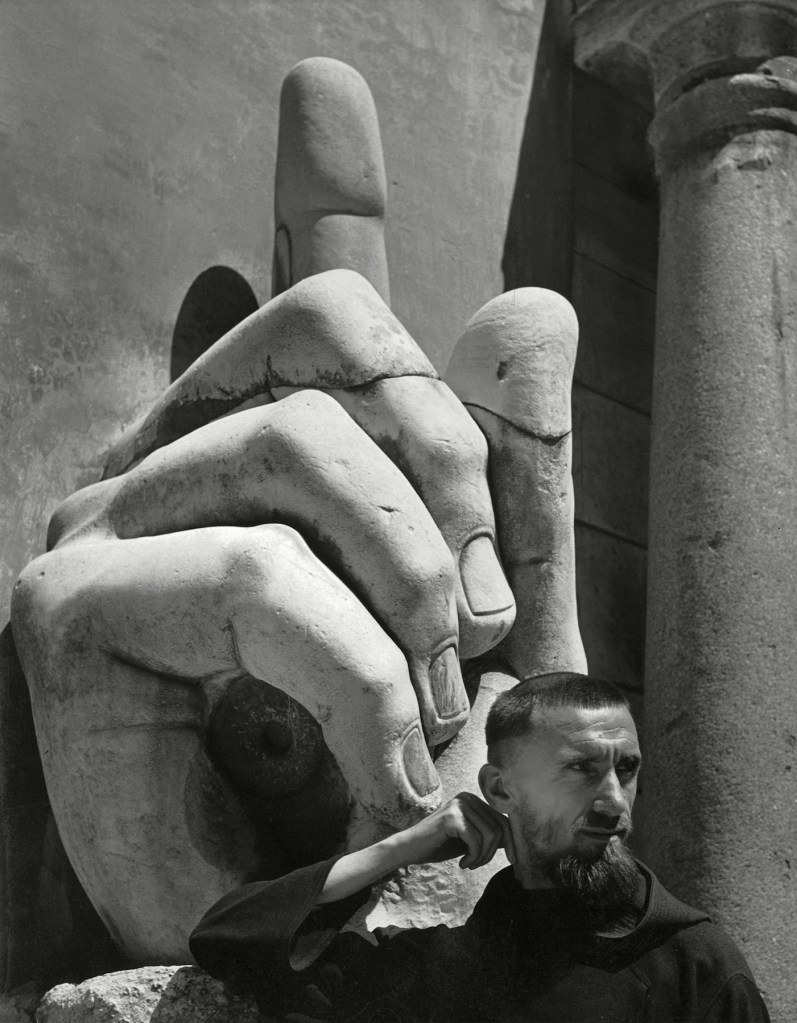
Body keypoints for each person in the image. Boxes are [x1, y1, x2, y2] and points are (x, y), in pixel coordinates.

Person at [189, 671, 770, 1022]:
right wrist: (400, 849)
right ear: (498, 789)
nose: (616, 801)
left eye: (628, 769)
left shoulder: (695, 964)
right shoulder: (445, 966)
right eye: (582, 769)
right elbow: (228, 941)